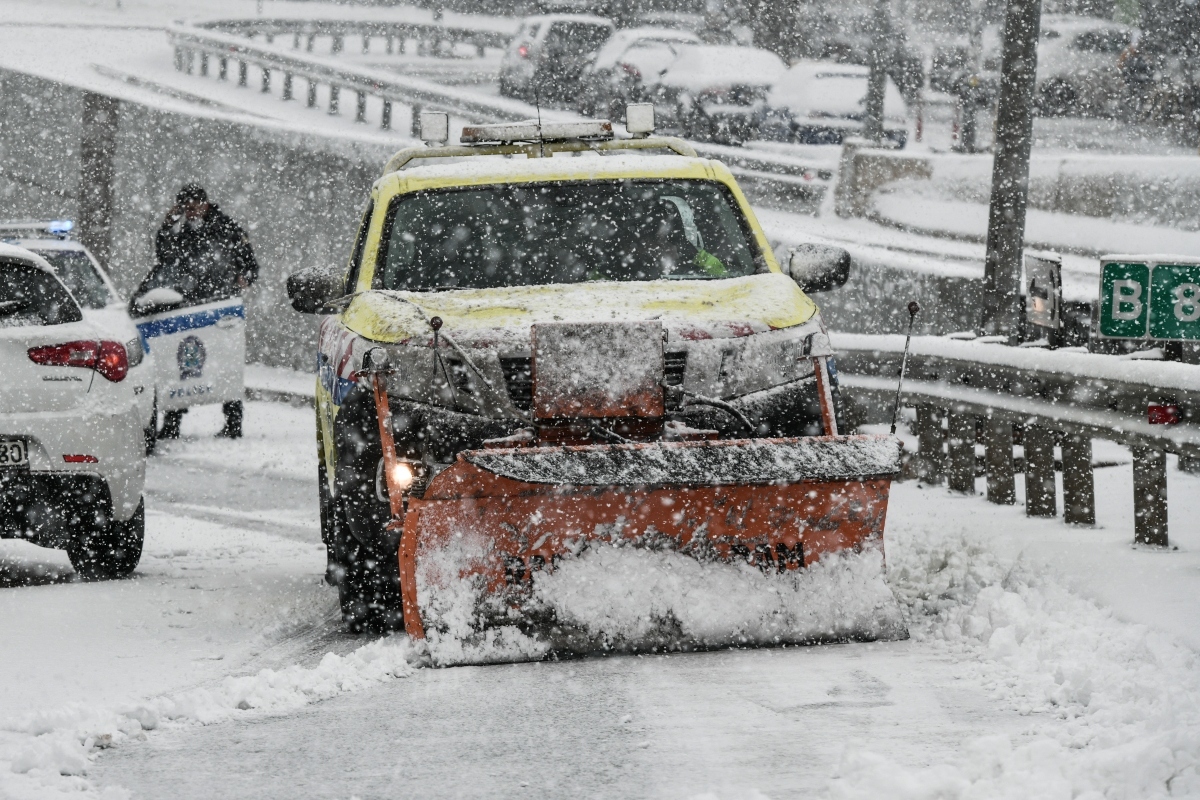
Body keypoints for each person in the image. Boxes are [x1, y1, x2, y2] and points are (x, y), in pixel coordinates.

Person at [148, 184, 258, 440]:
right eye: (186, 208)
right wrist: (168, 225)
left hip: (221, 310)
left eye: (195, 206)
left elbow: (250, 265)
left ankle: (233, 422)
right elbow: (164, 257)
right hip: (189, 307)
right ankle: (173, 422)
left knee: (225, 365)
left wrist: (243, 278)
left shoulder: (227, 228)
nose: (192, 211)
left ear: (205, 204)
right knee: (183, 363)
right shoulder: (183, 232)